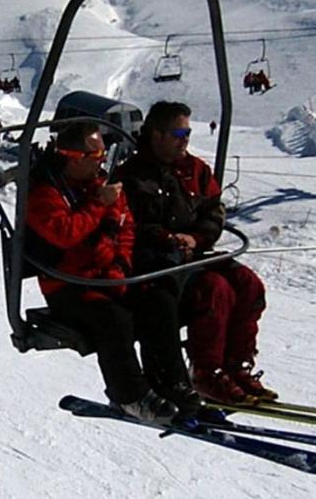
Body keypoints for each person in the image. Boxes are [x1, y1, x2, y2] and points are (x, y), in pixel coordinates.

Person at [26, 120, 184, 422]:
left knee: (159, 299)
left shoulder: (99, 184)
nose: (101, 162)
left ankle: (172, 382)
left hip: (105, 276)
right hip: (68, 285)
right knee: (113, 318)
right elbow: (65, 233)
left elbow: (124, 226)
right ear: (72, 157)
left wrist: (121, 263)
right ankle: (130, 396)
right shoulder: (45, 193)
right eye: (94, 156)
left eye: (102, 155)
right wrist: (98, 204)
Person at [117, 101, 275, 405]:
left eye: (187, 132)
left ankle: (236, 365)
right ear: (156, 134)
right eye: (178, 132)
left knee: (247, 283)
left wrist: (197, 237)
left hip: (193, 254)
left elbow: (214, 210)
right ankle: (207, 371)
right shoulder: (134, 175)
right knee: (214, 290)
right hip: (157, 264)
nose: (184, 140)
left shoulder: (195, 170)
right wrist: (169, 239)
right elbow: (130, 223)